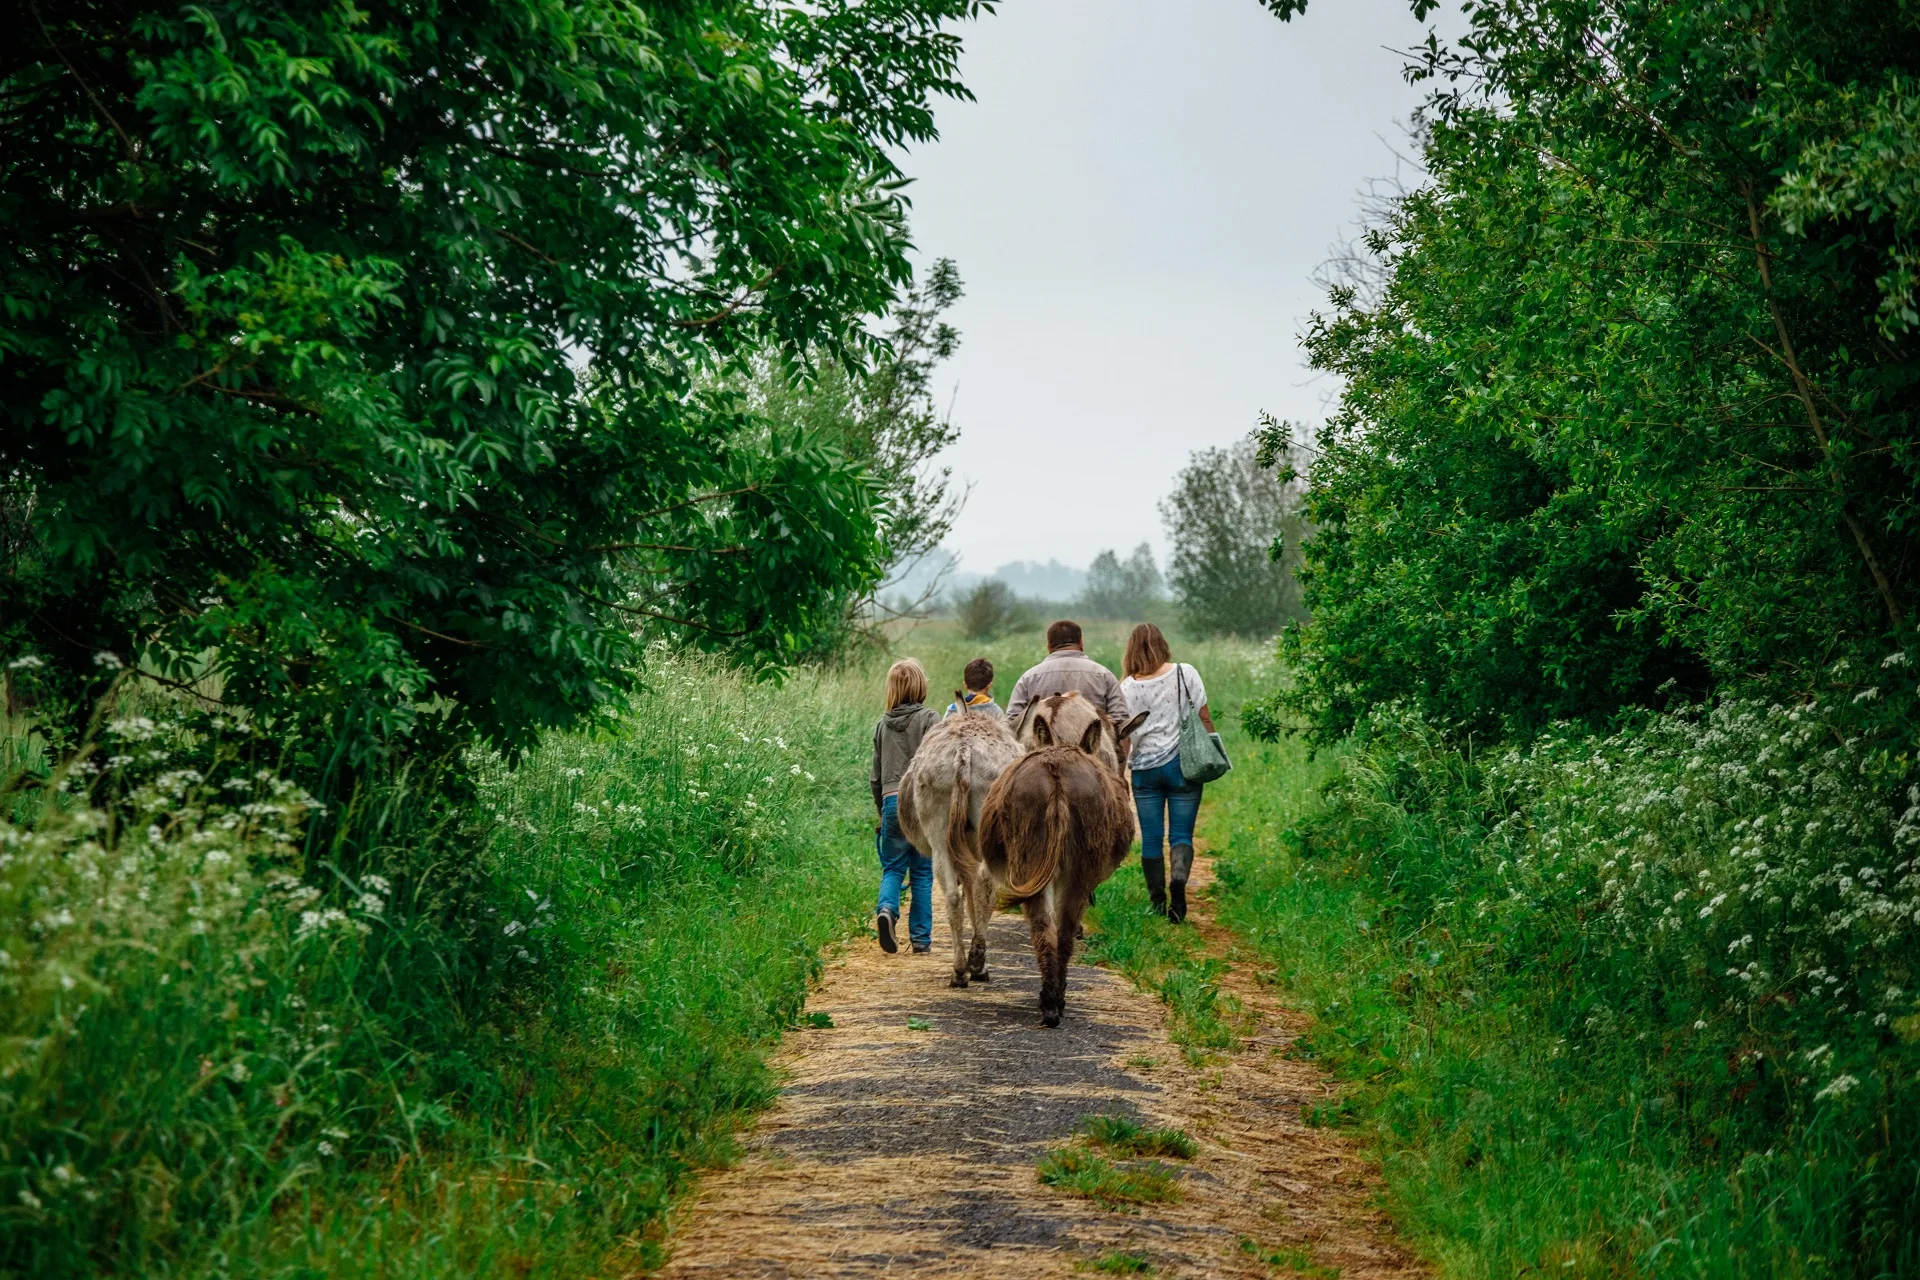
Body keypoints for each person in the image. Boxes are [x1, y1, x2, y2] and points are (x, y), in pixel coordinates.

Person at [1119, 623, 1215, 923]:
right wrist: (1210, 749)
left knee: (1150, 838)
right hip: (1184, 766)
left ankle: (1157, 901)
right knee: (1181, 834)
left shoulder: (1127, 687)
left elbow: (1124, 739)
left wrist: (1119, 772)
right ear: (1163, 644)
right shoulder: (1186, 673)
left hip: (1145, 770)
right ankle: (1179, 888)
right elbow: (1204, 716)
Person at [870, 658, 938, 954]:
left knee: (893, 868)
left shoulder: (881, 726)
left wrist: (881, 813)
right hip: (921, 802)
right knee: (922, 872)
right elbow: (938, 766)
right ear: (921, 686)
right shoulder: (930, 720)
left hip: (890, 801)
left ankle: (886, 909)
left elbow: (875, 777)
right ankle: (921, 940)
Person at [1005, 620, 1132, 750]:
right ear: (1081, 643)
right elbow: (1120, 724)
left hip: (1043, 759)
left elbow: (1012, 724)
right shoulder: (1104, 675)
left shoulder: (1029, 678)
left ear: (1049, 647)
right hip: (1095, 761)